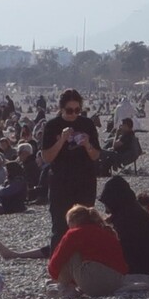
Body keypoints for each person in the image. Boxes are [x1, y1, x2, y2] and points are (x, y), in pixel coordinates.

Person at [36, 90, 105, 242]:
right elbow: (47, 157)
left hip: (85, 181)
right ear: (61, 109)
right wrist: (61, 140)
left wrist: (87, 144)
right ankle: (59, 263)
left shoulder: (86, 124)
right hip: (61, 182)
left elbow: (96, 155)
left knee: (86, 225)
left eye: (77, 110)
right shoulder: (52, 126)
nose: (74, 114)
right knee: (60, 227)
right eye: (69, 110)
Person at [46, 204, 130, 298]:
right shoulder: (106, 231)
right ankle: (71, 285)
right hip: (117, 282)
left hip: (93, 284)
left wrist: (56, 276)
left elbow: (57, 261)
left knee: (71, 254)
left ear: (73, 221)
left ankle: (66, 287)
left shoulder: (75, 233)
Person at [99, 175, 149, 280]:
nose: (106, 210)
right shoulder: (135, 213)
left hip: (140, 271)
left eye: (107, 204)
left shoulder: (127, 220)